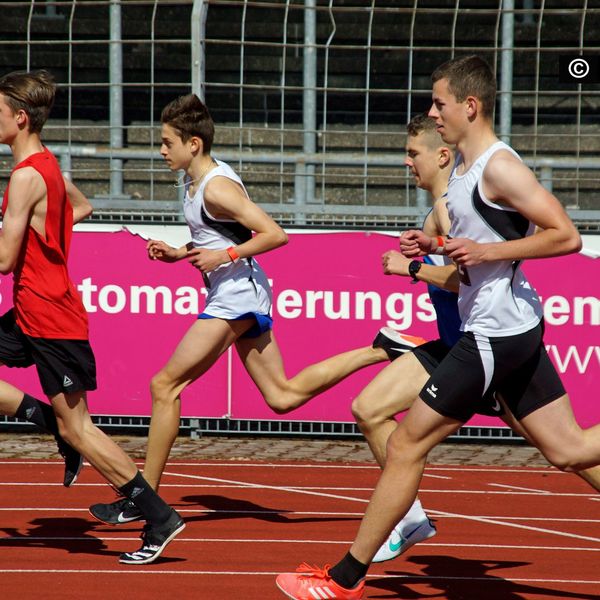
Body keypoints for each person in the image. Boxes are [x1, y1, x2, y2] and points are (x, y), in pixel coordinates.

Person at [276, 54, 599, 599]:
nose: (432, 111)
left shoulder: (499, 165)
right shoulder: (468, 173)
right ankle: (352, 572)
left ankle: (343, 579)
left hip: (494, 337)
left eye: (439, 103)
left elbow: (565, 235)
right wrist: (436, 247)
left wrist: (483, 250)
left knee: (404, 443)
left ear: (469, 107)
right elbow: (480, 245)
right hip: (512, 328)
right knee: (567, 452)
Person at [88, 93, 420, 525]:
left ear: (194, 144)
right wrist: (178, 254)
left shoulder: (218, 187)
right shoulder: (194, 182)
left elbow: (274, 235)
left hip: (237, 296)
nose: (161, 150)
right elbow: (217, 238)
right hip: (235, 292)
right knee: (282, 396)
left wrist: (225, 258)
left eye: (168, 142)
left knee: (164, 385)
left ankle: (145, 498)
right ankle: (380, 349)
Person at [0, 69, 184, 565]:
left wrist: (24, 229)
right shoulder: (46, 167)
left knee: (80, 427)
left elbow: (3, 259)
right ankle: (42, 417)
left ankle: (158, 515)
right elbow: (80, 207)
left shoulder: (25, 176)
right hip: (34, 309)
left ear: (19, 118)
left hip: (49, 317)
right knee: (69, 423)